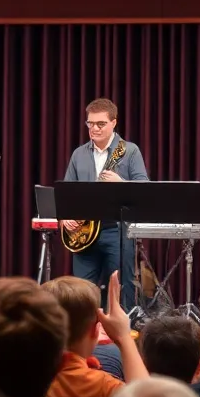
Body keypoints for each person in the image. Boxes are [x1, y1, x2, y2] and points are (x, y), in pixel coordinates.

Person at [61, 98, 149, 310]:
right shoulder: (79, 154)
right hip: (83, 232)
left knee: (121, 289)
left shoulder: (129, 151)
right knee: (81, 292)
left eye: (100, 124)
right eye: (90, 124)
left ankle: (122, 337)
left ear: (113, 123)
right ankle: (85, 336)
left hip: (116, 232)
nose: (94, 129)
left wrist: (121, 184)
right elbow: (66, 193)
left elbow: (144, 190)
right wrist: (65, 217)